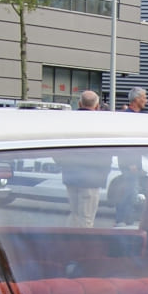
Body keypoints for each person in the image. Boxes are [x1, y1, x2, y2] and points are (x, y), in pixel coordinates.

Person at [60, 90, 109, 227]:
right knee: (86, 218)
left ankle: (67, 242)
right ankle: (80, 245)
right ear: (97, 106)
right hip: (91, 179)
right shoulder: (101, 125)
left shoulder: (69, 123)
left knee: (75, 214)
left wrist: (64, 164)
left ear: (80, 103)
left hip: (71, 176)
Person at [113, 87, 148, 226]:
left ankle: (125, 219)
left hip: (135, 162)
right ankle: (122, 220)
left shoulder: (137, 116)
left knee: (131, 192)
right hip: (129, 164)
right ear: (137, 99)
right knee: (129, 192)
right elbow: (125, 142)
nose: (146, 100)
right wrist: (130, 163)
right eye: (144, 97)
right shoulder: (128, 117)